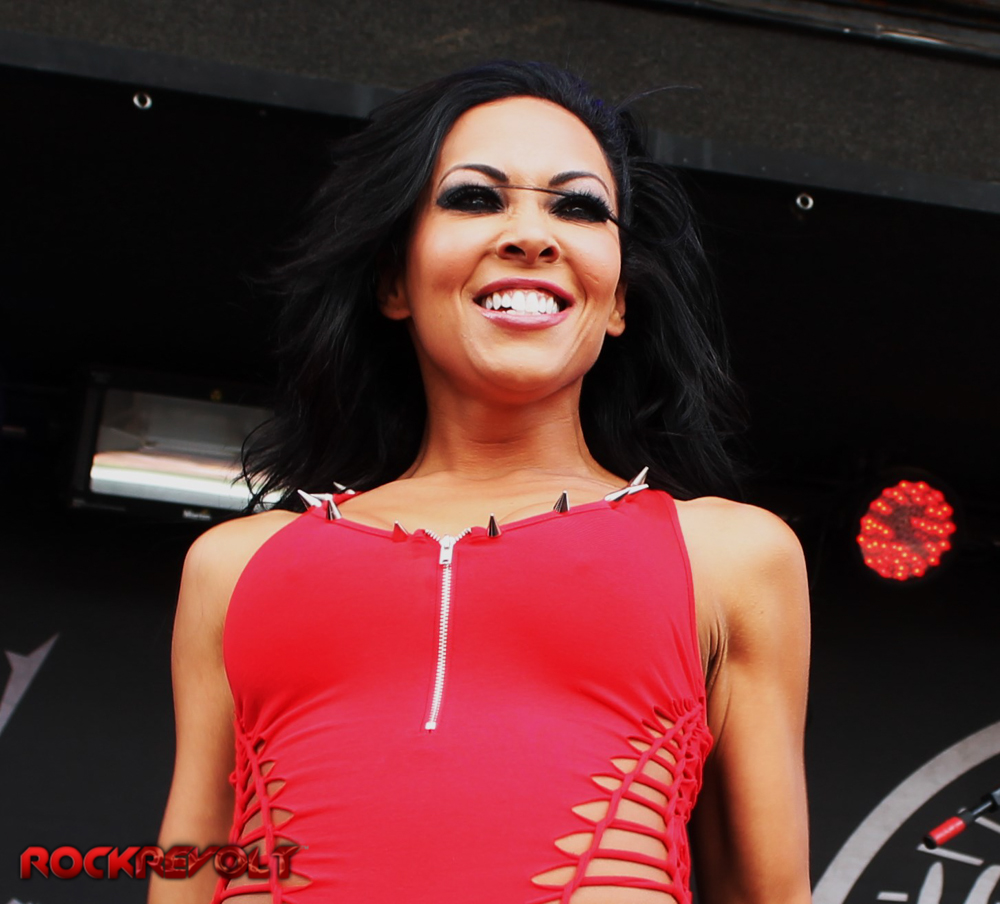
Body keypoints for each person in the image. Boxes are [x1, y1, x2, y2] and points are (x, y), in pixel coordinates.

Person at [150, 61, 811, 904]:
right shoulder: (235, 566)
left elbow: (767, 893)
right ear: (394, 280)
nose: (532, 236)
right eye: (474, 198)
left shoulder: (730, 557)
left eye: (579, 207)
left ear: (619, 301)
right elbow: (190, 868)